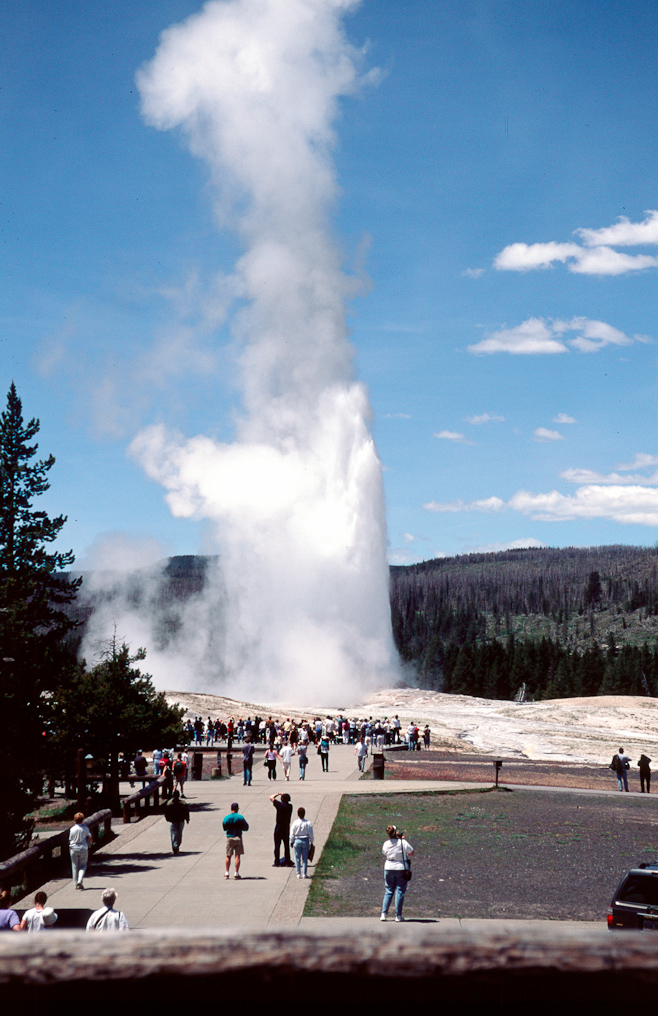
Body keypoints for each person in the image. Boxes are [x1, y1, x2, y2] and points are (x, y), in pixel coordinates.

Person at [380, 824, 414, 923]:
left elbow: (384, 853)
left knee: (389, 891)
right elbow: (411, 852)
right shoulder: (403, 842)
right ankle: (398, 916)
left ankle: (383, 914)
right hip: (401, 867)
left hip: (388, 867)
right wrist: (401, 839)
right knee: (399, 891)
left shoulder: (386, 843)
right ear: (396, 833)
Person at [223, 802, 249, 879]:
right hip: (238, 837)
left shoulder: (227, 818)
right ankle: (236, 873)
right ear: (237, 808)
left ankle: (227, 873)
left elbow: (224, 827)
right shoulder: (240, 818)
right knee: (237, 856)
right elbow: (246, 827)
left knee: (228, 856)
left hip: (229, 838)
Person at [69, 812, 92, 890]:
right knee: (83, 865)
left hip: (73, 848)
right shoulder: (85, 828)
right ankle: (80, 880)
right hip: (83, 848)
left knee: (75, 866)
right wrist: (88, 844)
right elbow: (90, 837)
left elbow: (70, 839)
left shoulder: (72, 829)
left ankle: (75, 884)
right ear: (82, 820)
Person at [289, 806, 314, 879]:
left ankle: (298, 873)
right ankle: (304, 874)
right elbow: (311, 834)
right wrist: (312, 842)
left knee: (297, 858)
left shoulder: (295, 823)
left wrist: (291, 841)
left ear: (298, 814)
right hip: (305, 840)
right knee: (305, 858)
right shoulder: (308, 823)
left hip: (297, 840)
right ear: (304, 814)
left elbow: (292, 833)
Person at [270, 792, 293, 867]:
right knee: (286, 846)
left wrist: (278, 793)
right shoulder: (290, 806)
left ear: (282, 799)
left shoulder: (279, 805)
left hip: (279, 828)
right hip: (286, 828)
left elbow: (271, 797)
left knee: (277, 845)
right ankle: (287, 861)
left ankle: (277, 861)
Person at [164, 789, 190, 854]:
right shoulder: (182, 803)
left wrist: (167, 818)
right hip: (179, 820)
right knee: (178, 834)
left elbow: (166, 812)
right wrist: (187, 818)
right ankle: (175, 847)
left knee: (174, 834)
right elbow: (186, 811)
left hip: (174, 821)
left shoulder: (169, 803)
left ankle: (175, 846)